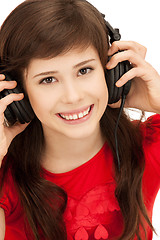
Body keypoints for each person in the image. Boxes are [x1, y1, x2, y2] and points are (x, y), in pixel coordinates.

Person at [0, 0, 160, 239]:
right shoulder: (7, 175)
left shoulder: (144, 144)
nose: (73, 96)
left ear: (111, 71)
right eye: (48, 80)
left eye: (84, 70)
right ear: (17, 93)